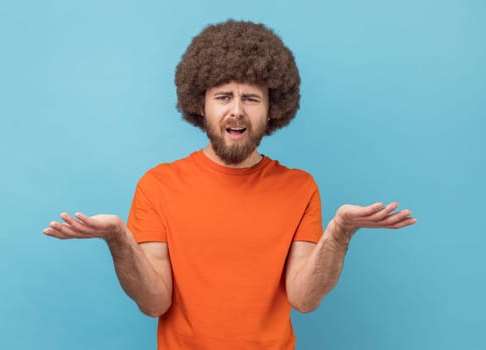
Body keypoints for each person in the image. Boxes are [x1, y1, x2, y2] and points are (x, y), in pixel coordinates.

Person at [43, 20, 416, 349]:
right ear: (200, 104)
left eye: (251, 98)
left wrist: (340, 232)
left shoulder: (300, 188)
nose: (236, 110)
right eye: (223, 97)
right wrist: (118, 238)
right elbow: (154, 302)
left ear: (271, 109)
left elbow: (304, 299)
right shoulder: (158, 185)